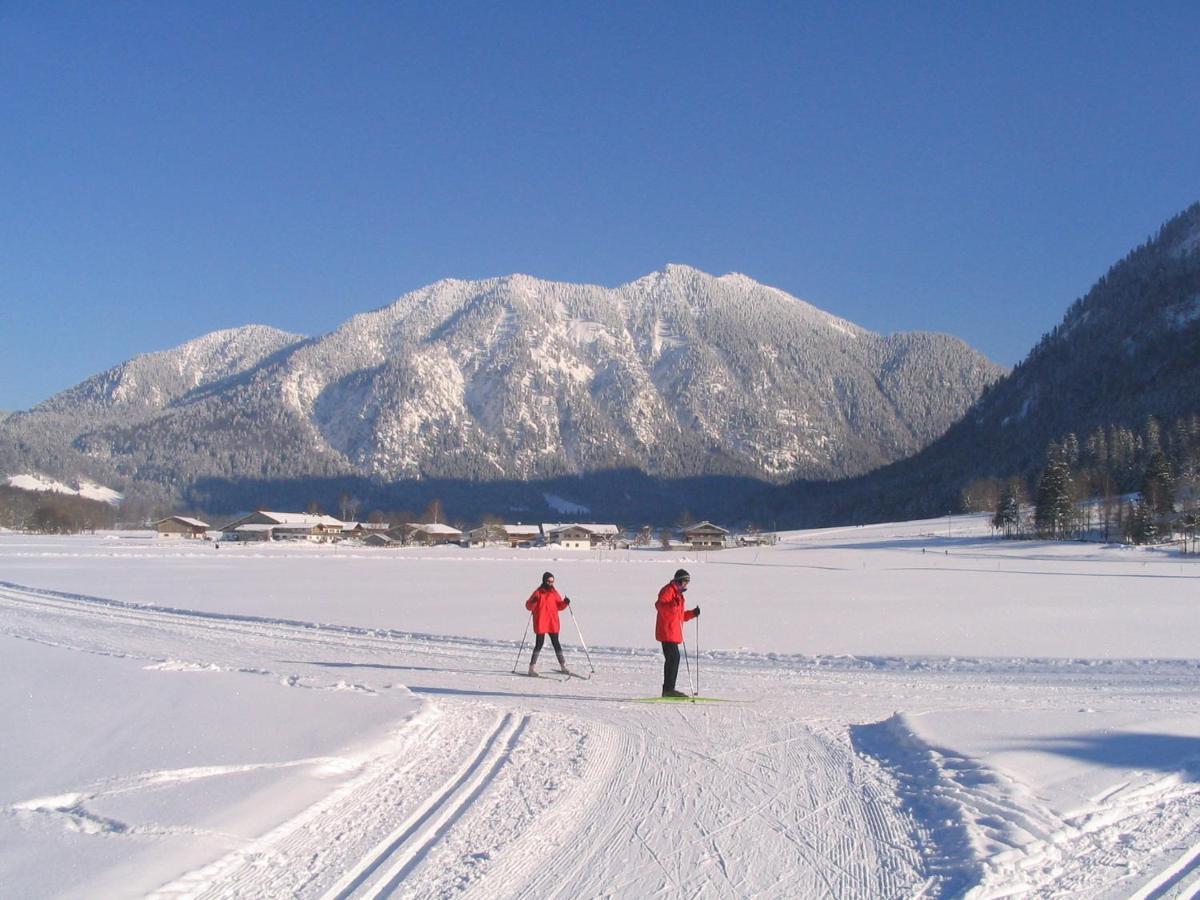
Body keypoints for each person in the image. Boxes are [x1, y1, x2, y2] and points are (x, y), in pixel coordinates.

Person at [655, 568, 699, 697]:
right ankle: (668, 690)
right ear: (679, 581)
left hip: (673, 632)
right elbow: (659, 605)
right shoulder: (668, 590)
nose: (686, 585)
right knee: (673, 659)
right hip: (667, 631)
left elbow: (679, 615)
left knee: (673, 659)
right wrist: (673, 605)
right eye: (685, 582)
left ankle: (669, 689)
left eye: (687, 583)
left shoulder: (679, 594)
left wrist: (692, 613)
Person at [525, 571, 571, 676]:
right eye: (549, 581)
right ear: (544, 581)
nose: (551, 583)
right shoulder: (538, 592)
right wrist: (533, 602)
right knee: (539, 645)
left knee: (556, 644)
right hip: (541, 622)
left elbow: (559, 606)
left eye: (552, 581)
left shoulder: (554, 592)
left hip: (552, 622)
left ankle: (563, 666)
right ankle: (531, 668)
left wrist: (565, 603)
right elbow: (528, 606)